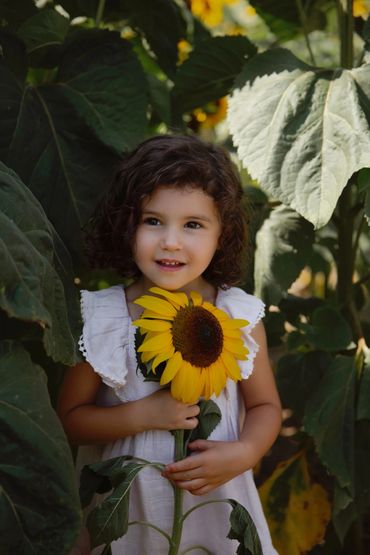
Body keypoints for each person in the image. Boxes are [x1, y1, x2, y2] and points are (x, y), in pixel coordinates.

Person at [58, 134, 282, 555]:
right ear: (126, 224)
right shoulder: (105, 319)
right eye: (153, 221)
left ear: (222, 234)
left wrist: (245, 451)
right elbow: (70, 419)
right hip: (127, 515)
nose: (171, 242)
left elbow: (267, 406)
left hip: (215, 505)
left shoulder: (238, 316)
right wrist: (140, 415)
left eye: (193, 225)